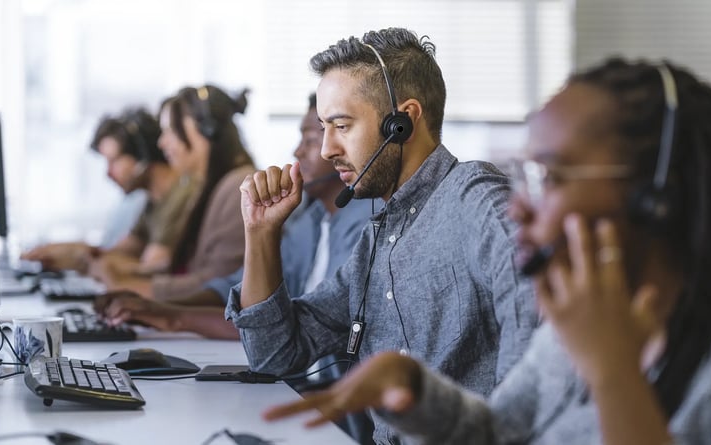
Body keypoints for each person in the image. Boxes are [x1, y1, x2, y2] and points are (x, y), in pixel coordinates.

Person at [263, 58, 711, 444]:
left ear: (655, 196)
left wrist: (615, 376)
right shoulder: (578, 328)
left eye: (549, 177)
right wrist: (415, 392)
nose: (520, 206)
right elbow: (499, 431)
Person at [229, 28, 537, 444]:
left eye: (341, 125)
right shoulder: (377, 242)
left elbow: (537, 319)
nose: (327, 149)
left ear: (402, 122)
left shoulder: (475, 198)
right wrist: (261, 233)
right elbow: (275, 353)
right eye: (323, 128)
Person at [93, 93, 374, 341]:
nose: (297, 151)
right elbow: (235, 287)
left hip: (314, 378)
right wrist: (162, 311)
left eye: (310, 140)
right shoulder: (312, 220)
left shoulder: (364, 226)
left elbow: (295, 328)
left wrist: (170, 315)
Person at [91, 85, 256, 301]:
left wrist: (128, 286)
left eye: (170, 131)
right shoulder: (208, 187)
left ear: (206, 130)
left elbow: (221, 285)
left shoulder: (238, 188)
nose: (162, 143)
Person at [22, 108, 195, 275]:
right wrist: (68, 252)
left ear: (142, 156)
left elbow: (150, 268)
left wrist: (84, 261)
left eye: (114, 161)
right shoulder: (152, 202)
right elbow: (120, 252)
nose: (108, 173)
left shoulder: (181, 197)